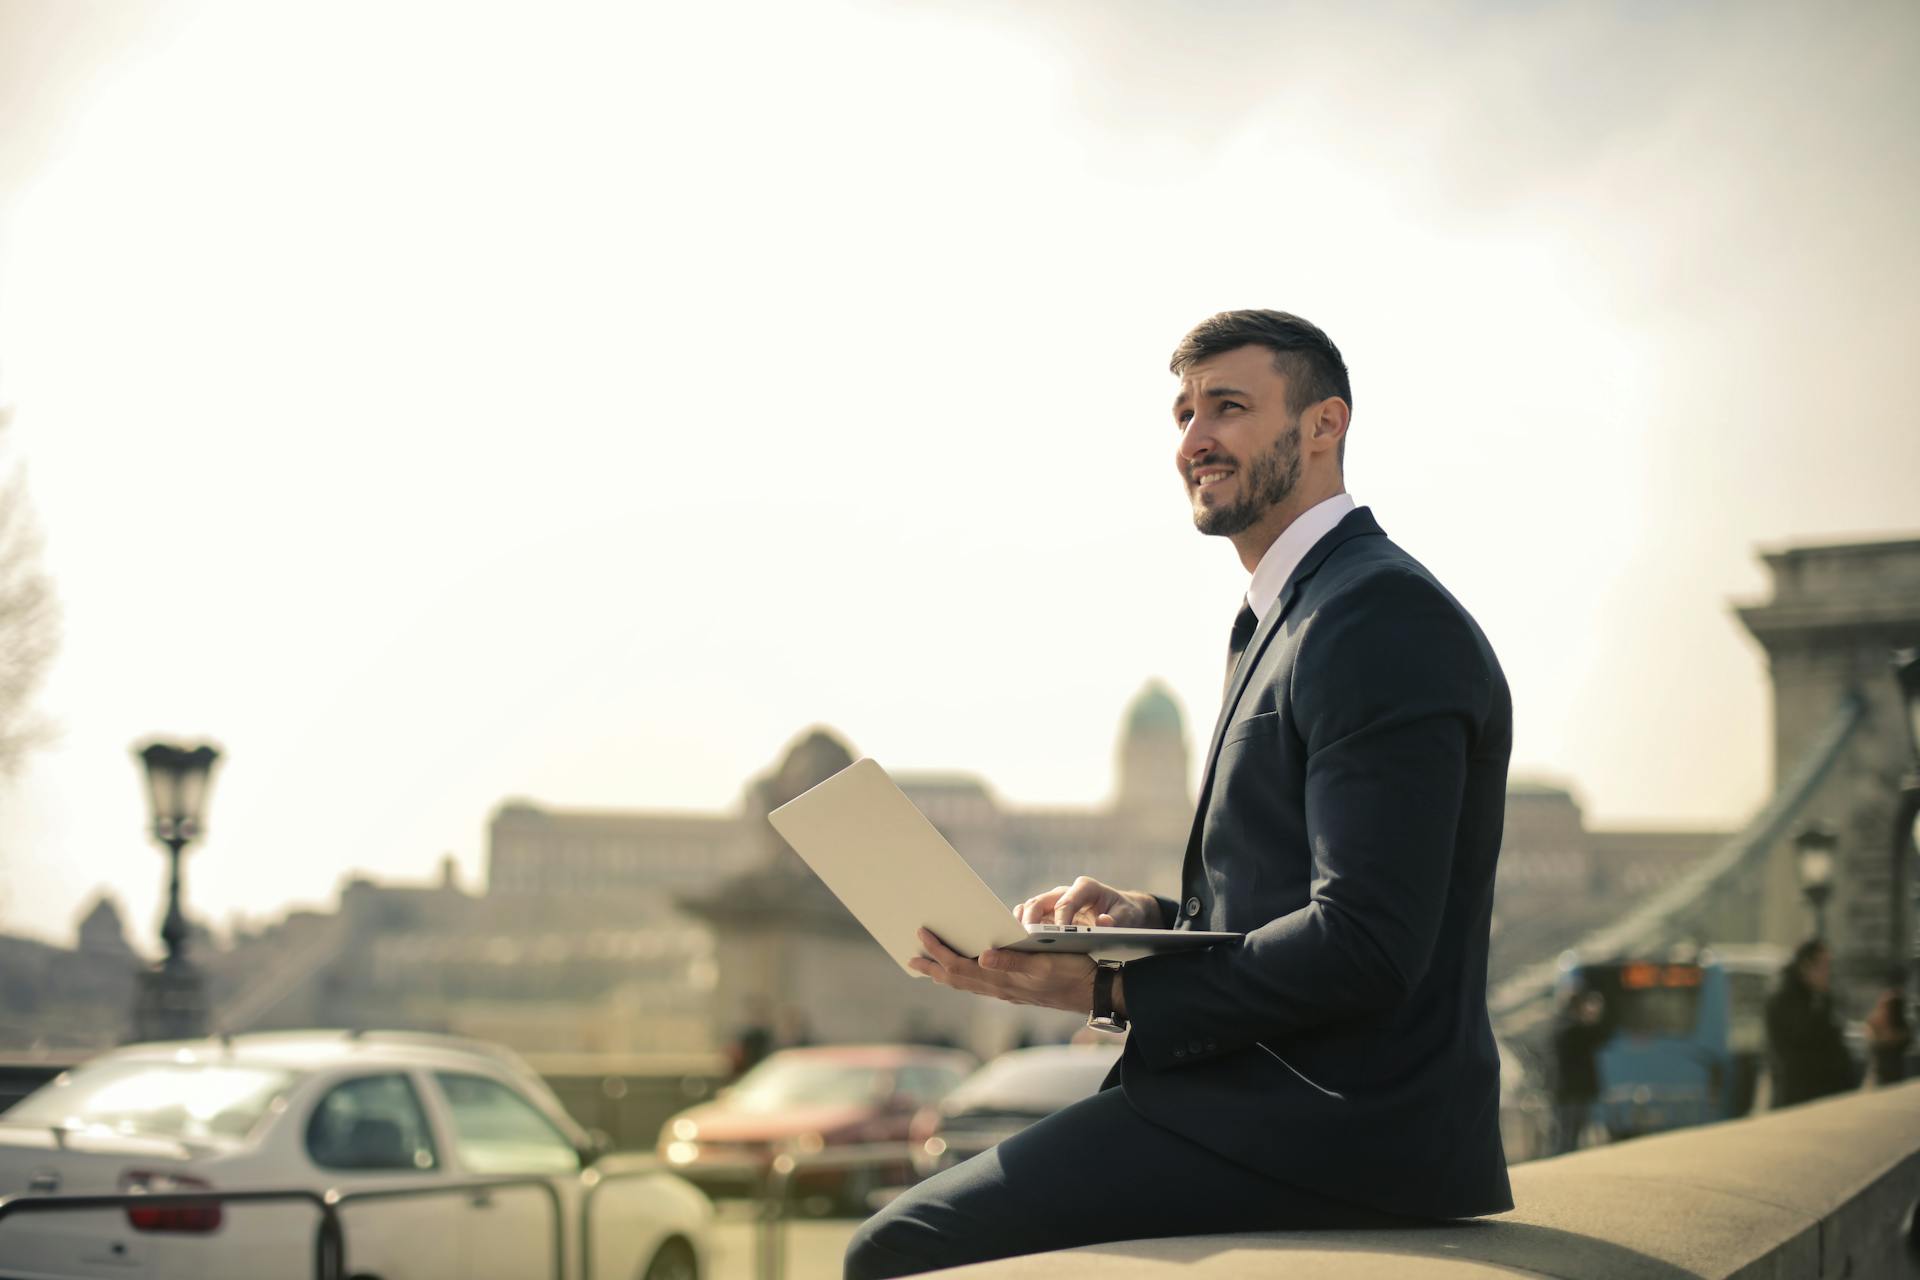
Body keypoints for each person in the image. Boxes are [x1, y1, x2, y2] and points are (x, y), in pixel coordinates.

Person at [846, 310, 1514, 1279]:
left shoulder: (1374, 615)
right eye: (1185, 411)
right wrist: (1146, 919)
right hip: (1280, 1105)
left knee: (899, 1247)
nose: (1194, 439)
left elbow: (1369, 940)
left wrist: (1110, 984)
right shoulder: (1296, 611)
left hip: (1331, 1124)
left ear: (1326, 424)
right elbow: (1305, 895)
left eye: (1229, 407)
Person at [1764, 939, 1853, 1107]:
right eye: (1823, 966)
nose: (1828, 972)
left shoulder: (1820, 997)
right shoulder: (1785, 1000)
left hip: (1823, 1095)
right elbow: (1801, 1046)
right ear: (1806, 967)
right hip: (1799, 1096)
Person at [1550, 990, 1608, 1154]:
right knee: (1570, 1134)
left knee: (1569, 1133)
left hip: (1568, 1091)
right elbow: (1599, 1036)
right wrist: (1593, 1017)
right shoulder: (1572, 1029)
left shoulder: (1563, 1026)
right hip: (1573, 1091)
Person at [1865, 982, 1910, 1086]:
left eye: (1886, 1007)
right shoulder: (1874, 1024)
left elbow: (1898, 1038)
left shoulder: (1901, 1030)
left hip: (1894, 1078)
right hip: (1877, 1078)